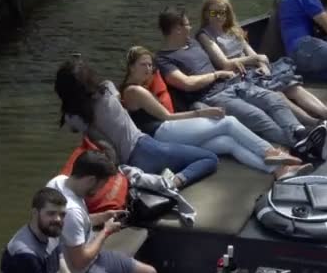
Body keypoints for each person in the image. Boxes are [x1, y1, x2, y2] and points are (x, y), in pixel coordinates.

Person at [155, 6, 327, 160]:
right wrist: (216, 75)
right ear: (177, 29)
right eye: (186, 24)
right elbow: (186, 83)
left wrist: (236, 64)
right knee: (258, 117)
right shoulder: (164, 59)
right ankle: (300, 142)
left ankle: (299, 131)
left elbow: (220, 56)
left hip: (233, 82)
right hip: (211, 97)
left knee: (273, 99)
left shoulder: (192, 43)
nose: (189, 27)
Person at [121, 46, 314, 180]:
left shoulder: (133, 89)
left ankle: (278, 171)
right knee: (227, 122)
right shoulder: (135, 91)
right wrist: (204, 113)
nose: (148, 69)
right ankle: (269, 152)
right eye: (143, 65)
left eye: (149, 65)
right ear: (131, 67)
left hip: (163, 135)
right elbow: (167, 117)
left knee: (228, 143)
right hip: (162, 132)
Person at [196, 0, 327, 129]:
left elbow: (251, 51)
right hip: (237, 76)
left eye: (223, 13)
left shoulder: (233, 30)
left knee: (292, 86)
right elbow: (225, 63)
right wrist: (256, 58)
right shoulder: (205, 36)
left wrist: (262, 64)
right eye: (214, 13)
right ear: (206, 14)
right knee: (278, 93)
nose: (219, 17)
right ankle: (312, 123)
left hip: (253, 70)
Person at [55, 59, 218, 189]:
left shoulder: (73, 116)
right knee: (209, 158)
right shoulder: (107, 89)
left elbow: (76, 129)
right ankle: (175, 182)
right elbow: (118, 99)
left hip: (125, 165)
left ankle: (163, 179)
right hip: (144, 149)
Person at [47, 150, 157, 273]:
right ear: (91, 180)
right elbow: (80, 262)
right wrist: (106, 232)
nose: (100, 190)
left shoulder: (59, 182)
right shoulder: (71, 210)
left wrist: (103, 216)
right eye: (102, 185)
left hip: (90, 253)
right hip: (80, 271)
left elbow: (73, 225)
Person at [0, 188, 69, 273]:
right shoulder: (26, 253)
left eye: (62, 214)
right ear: (35, 213)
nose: (58, 219)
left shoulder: (52, 232)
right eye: (51, 213)